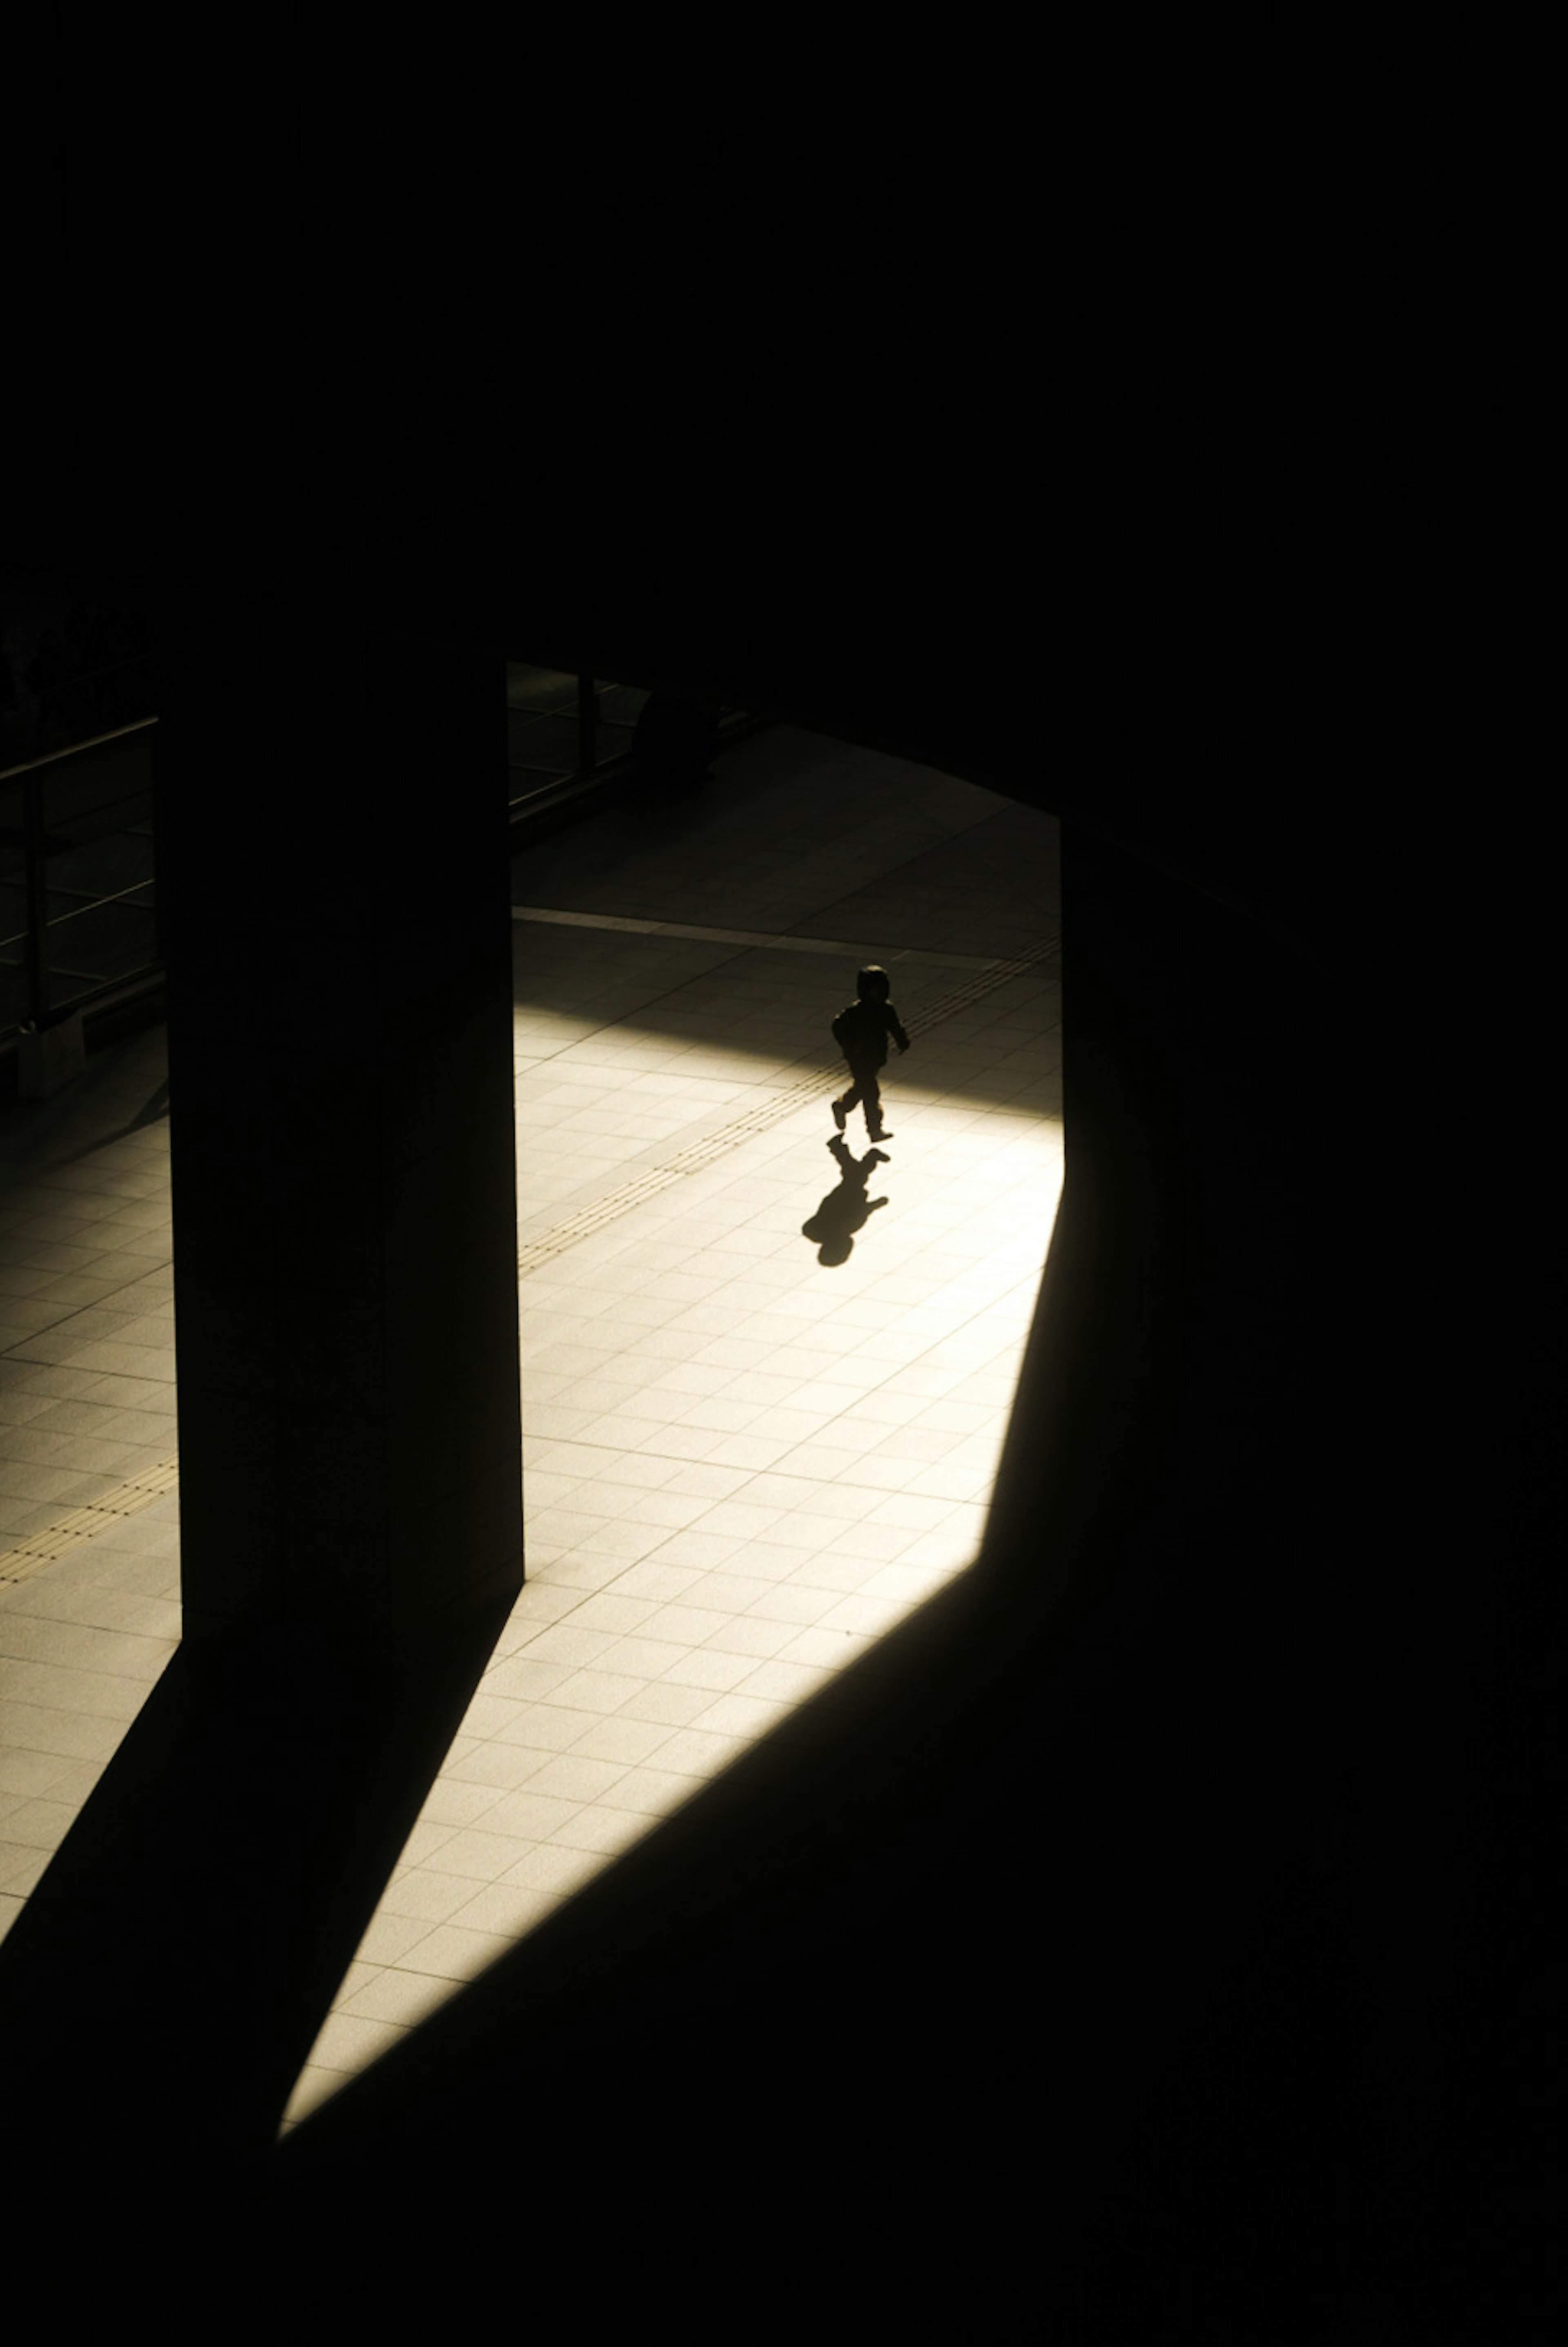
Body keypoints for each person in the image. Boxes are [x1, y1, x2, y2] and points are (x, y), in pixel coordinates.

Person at [830, 965, 909, 1142]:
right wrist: (851, 1046)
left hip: (876, 1056)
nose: (878, 993)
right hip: (858, 1058)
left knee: (862, 1087)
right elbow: (837, 1027)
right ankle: (874, 1130)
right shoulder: (855, 1012)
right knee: (871, 1091)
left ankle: (842, 1106)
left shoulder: (886, 1009)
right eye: (874, 990)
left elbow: (895, 1027)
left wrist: (903, 1041)